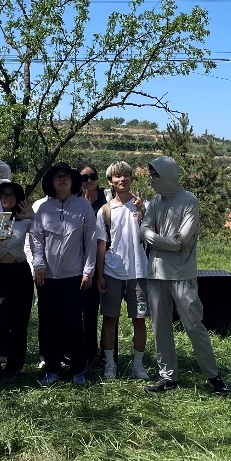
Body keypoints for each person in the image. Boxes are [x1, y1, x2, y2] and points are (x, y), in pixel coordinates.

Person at [141, 156, 231, 396]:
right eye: (151, 175)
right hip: (156, 273)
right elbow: (144, 229)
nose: (151, 179)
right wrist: (162, 239)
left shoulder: (189, 201)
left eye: (155, 175)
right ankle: (167, 376)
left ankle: (213, 375)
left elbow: (180, 241)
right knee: (160, 327)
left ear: (168, 175)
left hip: (181, 273)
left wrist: (156, 239)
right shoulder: (155, 201)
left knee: (193, 325)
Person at [29, 162, 98, 387]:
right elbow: (36, 238)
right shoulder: (43, 208)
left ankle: (78, 369)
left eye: (66, 176)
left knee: (75, 324)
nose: (62, 179)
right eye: (57, 176)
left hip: (75, 276)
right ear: (51, 182)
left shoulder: (83, 206)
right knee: (49, 324)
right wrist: (39, 264)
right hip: (47, 277)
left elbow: (90, 241)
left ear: (72, 181)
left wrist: (88, 271)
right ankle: (51, 368)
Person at [96, 161, 151, 380]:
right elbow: (101, 245)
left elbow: (154, 233)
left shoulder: (144, 205)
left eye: (126, 175)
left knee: (139, 320)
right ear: (110, 181)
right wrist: (100, 274)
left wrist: (143, 212)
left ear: (131, 178)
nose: (122, 179)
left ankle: (138, 365)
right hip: (112, 272)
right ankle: (110, 363)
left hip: (139, 272)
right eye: (117, 176)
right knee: (110, 319)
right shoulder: (105, 211)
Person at [0, 178, 34, 377]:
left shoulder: (25, 220)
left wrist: (33, 217)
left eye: (12, 194)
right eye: (3, 194)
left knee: (19, 320)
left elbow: (41, 235)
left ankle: (16, 363)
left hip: (19, 272)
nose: (7, 197)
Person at [77, 164, 106, 368]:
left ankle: (107, 356)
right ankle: (86, 353)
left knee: (107, 312)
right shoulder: (75, 200)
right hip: (81, 262)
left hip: (106, 261)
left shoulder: (108, 198)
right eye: (84, 177)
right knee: (84, 310)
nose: (88, 181)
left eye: (92, 176)